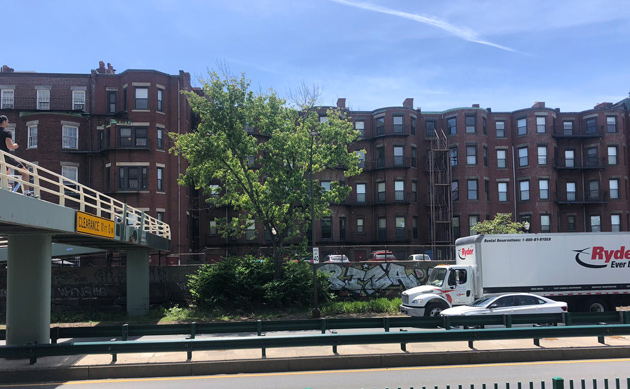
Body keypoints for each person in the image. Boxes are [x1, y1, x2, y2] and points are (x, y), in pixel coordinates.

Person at [0, 115, 36, 197]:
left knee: (6, 170)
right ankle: (27, 192)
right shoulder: (6, 132)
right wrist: (15, 145)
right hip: (4, 157)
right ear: (4, 122)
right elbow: (9, 146)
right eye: (8, 122)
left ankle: (6, 185)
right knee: (25, 173)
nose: (8, 123)